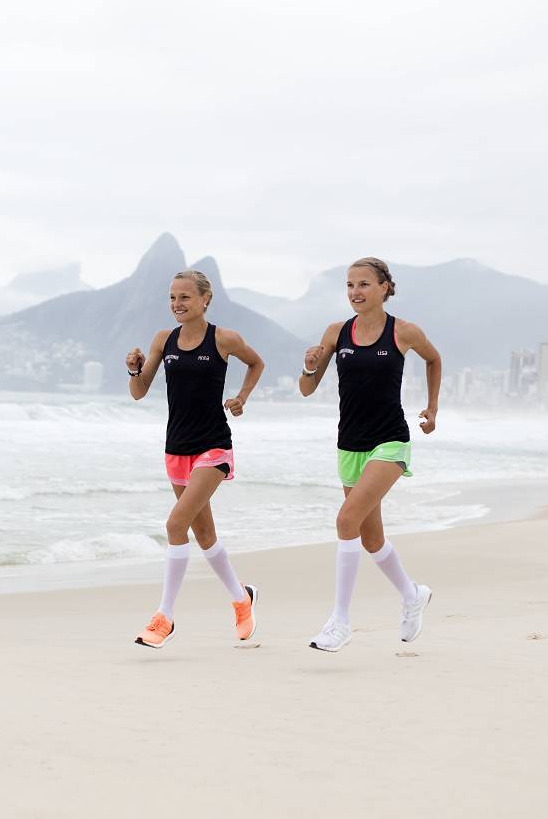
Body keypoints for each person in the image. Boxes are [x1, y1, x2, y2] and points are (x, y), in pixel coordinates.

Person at [298, 257, 441, 652]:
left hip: (389, 441)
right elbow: (306, 389)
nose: (355, 292)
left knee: (346, 520)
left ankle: (340, 622)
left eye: (363, 284)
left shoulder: (404, 332)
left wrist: (432, 407)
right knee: (370, 537)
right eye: (349, 285)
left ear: (384, 288)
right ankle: (413, 595)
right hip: (350, 444)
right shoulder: (336, 332)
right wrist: (310, 367)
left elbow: (433, 358)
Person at [125, 270, 265, 648]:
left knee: (175, 525)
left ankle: (164, 617)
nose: (177, 304)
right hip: (176, 448)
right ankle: (242, 599)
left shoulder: (223, 338)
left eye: (185, 297)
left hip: (213, 447)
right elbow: (139, 391)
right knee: (203, 534)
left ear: (205, 299)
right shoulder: (162, 340)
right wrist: (134, 369)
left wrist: (241, 397)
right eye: (172, 297)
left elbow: (256, 363)